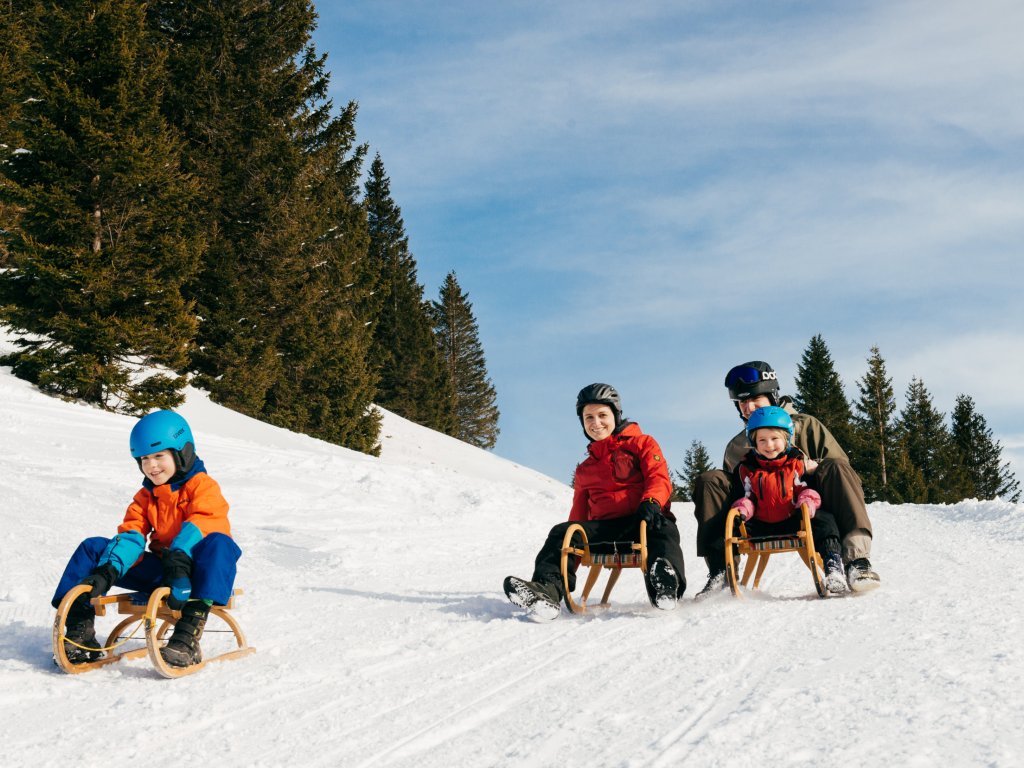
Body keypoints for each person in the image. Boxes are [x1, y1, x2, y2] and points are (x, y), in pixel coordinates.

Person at [52, 410, 241, 668]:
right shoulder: (146, 496)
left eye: (159, 456)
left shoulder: (203, 486)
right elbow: (131, 535)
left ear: (182, 452)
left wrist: (180, 559)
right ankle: (79, 626)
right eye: (144, 459)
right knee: (94, 548)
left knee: (221, 544)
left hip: (197, 576)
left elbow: (206, 521)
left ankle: (187, 636)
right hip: (163, 573)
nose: (151, 466)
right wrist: (108, 570)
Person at [694, 361, 880, 598]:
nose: (748, 407)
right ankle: (721, 571)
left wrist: (809, 473)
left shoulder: (807, 426)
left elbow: (843, 475)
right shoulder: (738, 446)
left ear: (772, 396)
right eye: (742, 402)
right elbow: (738, 491)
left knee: (837, 466)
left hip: (809, 513)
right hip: (759, 518)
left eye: (755, 400)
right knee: (710, 480)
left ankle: (857, 562)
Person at [503, 383, 686, 621]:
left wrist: (651, 501)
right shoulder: (585, 469)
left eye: (602, 415)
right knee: (564, 532)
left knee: (663, 530)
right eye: (588, 417)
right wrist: (573, 540)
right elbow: (578, 516)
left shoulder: (642, 443)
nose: (596, 423)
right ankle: (547, 590)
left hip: (643, 519)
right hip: (606, 530)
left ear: (616, 416)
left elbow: (658, 476)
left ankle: (665, 584)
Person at [728, 406, 847, 595]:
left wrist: (807, 502)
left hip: (794, 522)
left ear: (786, 440)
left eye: (775, 439)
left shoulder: (796, 464)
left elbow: (804, 489)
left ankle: (833, 566)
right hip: (760, 526)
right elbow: (748, 497)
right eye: (762, 440)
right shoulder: (748, 469)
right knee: (730, 524)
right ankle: (729, 578)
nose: (769, 445)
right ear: (754, 443)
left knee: (825, 521)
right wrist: (742, 509)